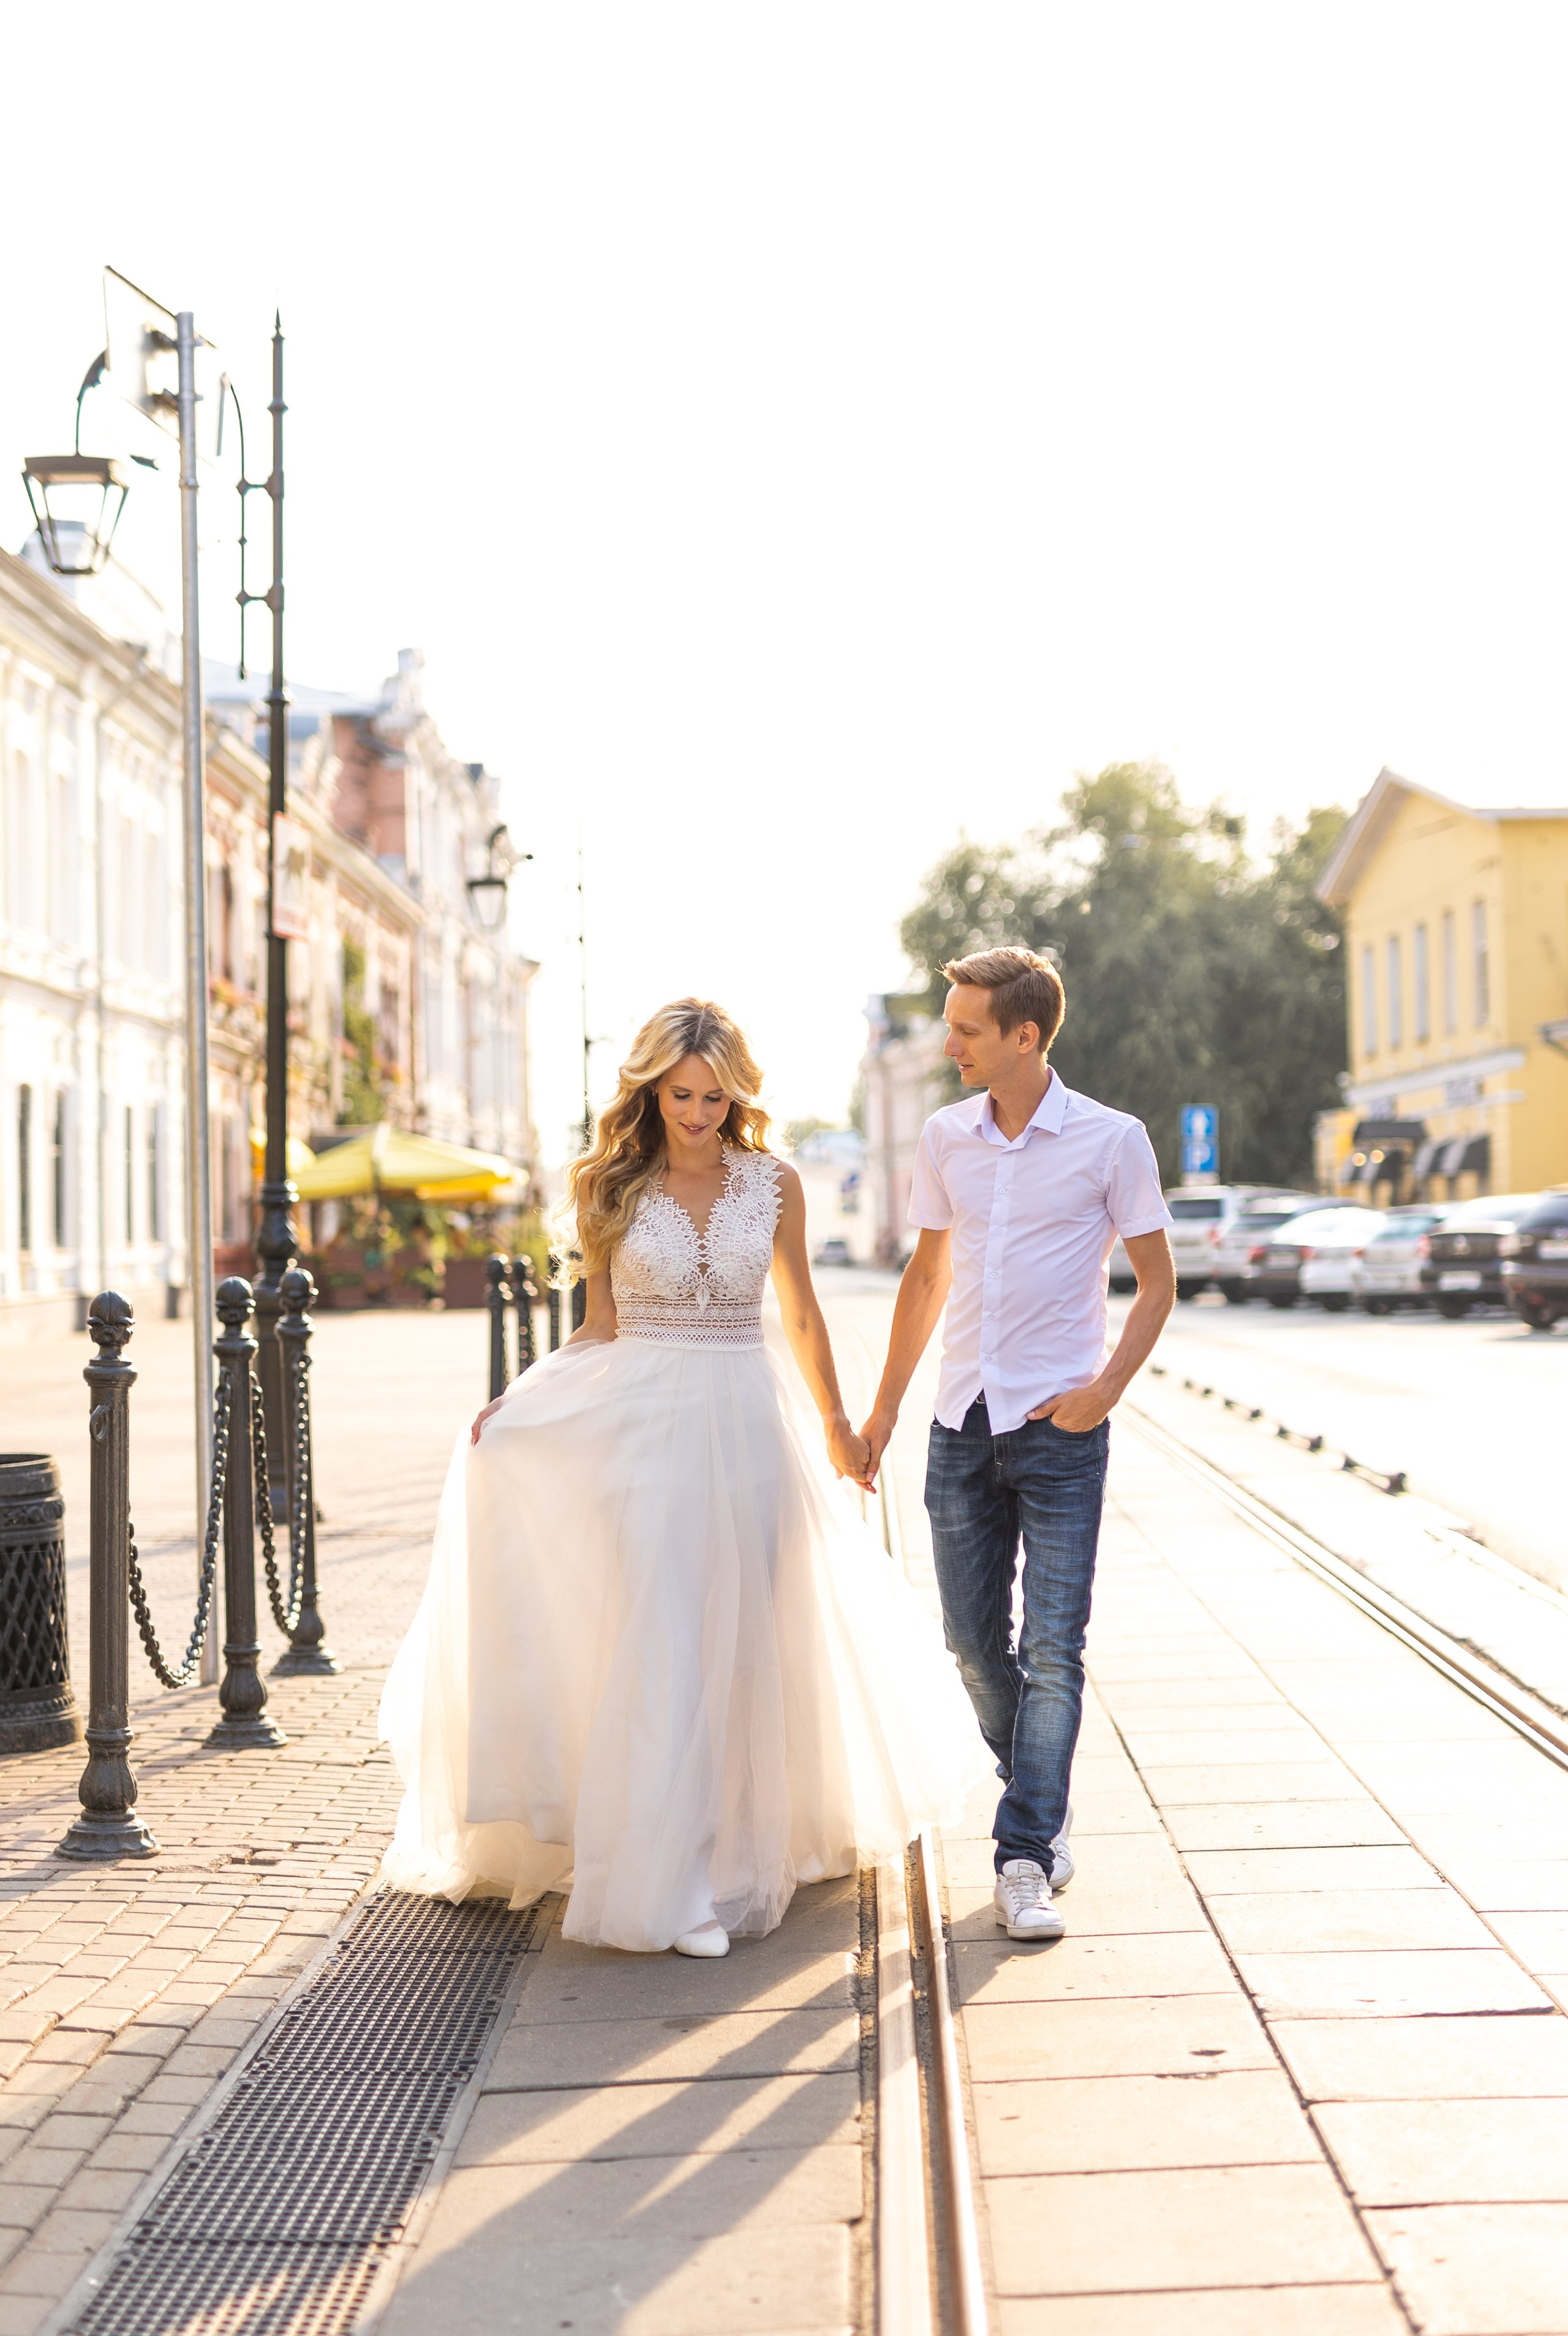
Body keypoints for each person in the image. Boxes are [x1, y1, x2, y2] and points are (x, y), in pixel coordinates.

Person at [379, 998, 990, 1957]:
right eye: (680, 1095)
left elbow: (800, 1316)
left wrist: (837, 1419)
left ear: (737, 1094)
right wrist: (520, 1402)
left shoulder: (774, 1184)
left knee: (752, 1637)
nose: (698, 1113)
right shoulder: (611, 1188)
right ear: (650, 1089)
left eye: (714, 1096)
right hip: (647, 1430)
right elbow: (599, 1326)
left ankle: (742, 1850)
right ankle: (674, 1885)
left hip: (751, 1426)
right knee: (666, 1639)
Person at [859, 948, 1175, 1943]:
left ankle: (1026, 1854)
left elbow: (1157, 1281)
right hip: (960, 1424)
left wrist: (1102, 1393)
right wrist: (882, 1415)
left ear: (1025, 1035)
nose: (948, 1042)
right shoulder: (947, 1137)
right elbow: (925, 1279)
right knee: (968, 1646)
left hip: (1059, 1432)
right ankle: (1039, 1788)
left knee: (1053, 1649)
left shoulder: (1112, 1140)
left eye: (965, 1027)